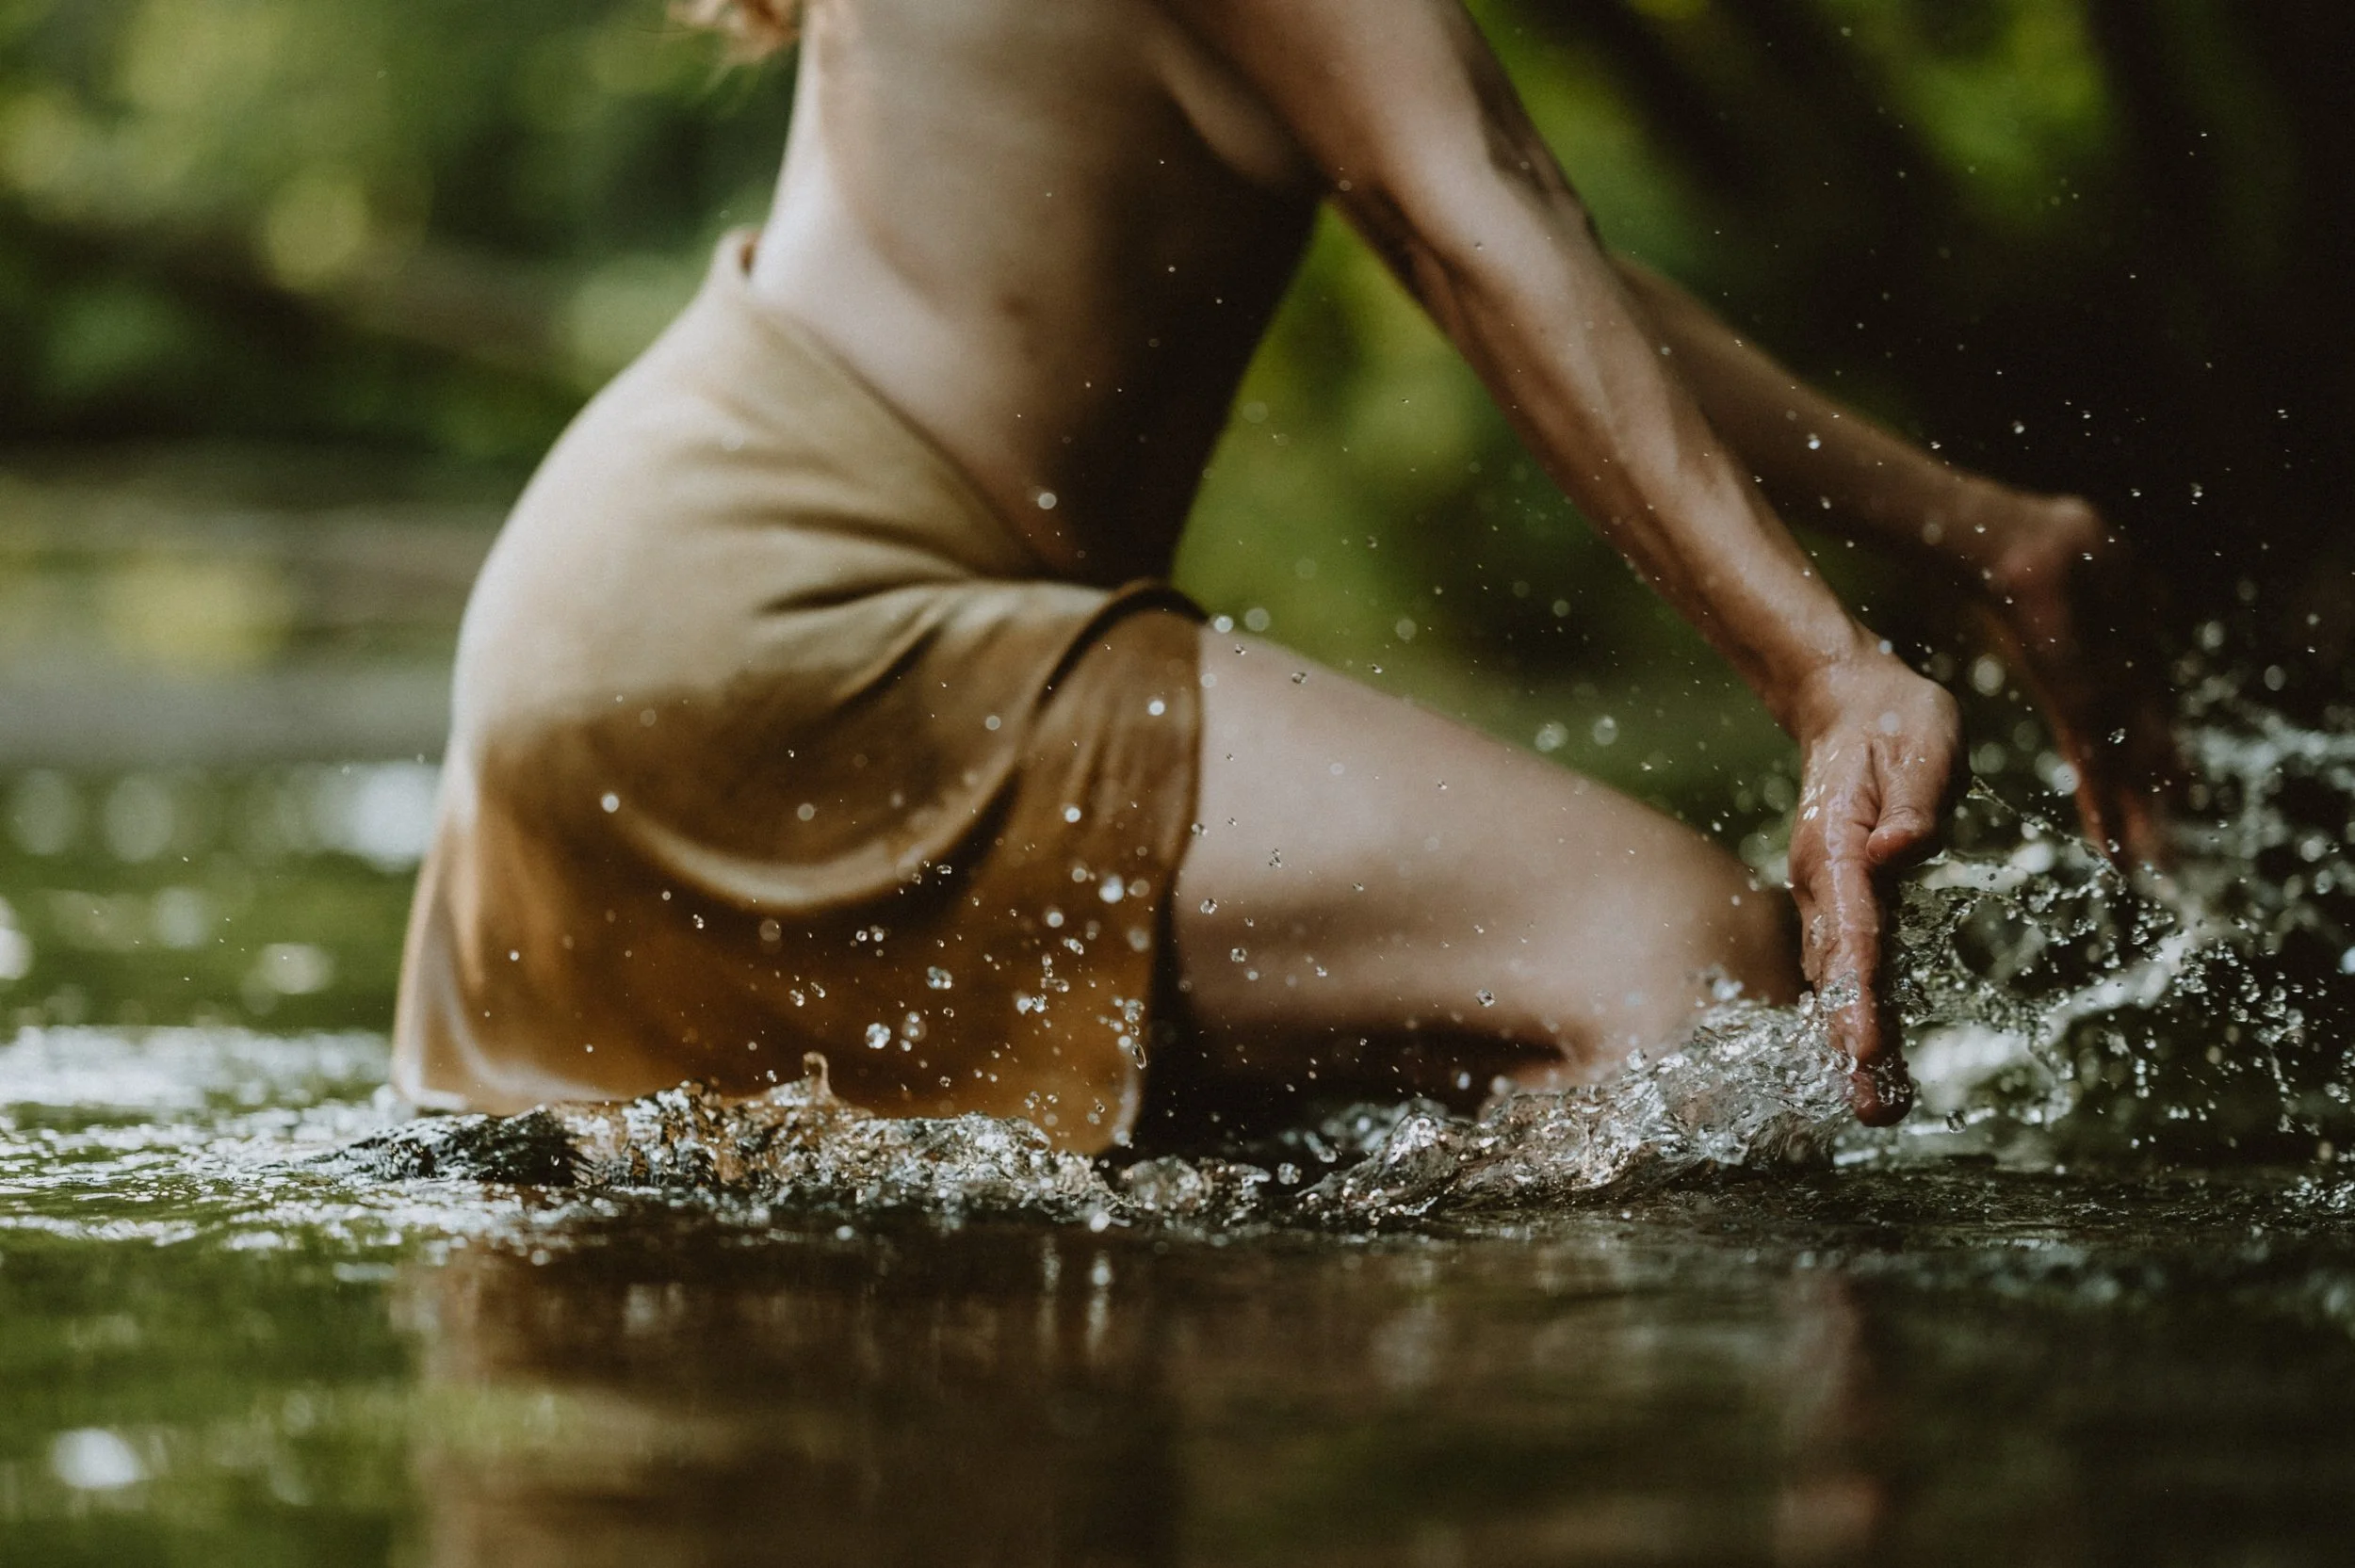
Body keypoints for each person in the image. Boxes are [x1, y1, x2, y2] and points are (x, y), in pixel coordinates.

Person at [392, 0, 2176, 1150]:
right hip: (794, 605)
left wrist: (1964, 537)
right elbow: (1466, 211)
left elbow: (1529, 260)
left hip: (645, 605)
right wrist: (1822, 670)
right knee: (1677, 972)